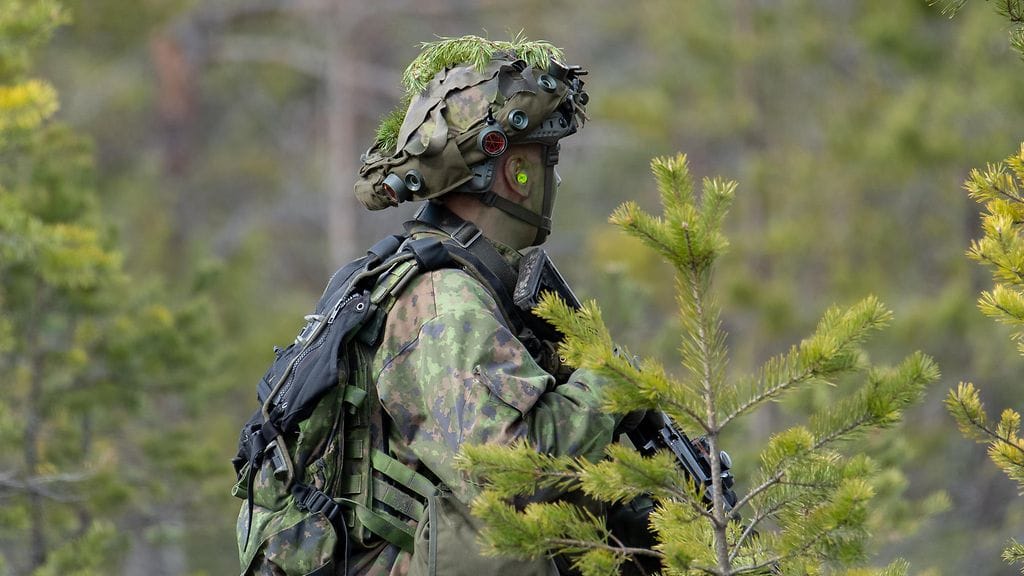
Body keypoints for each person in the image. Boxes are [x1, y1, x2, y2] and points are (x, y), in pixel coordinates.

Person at [347, 37, 630, 575]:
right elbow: (508, 472)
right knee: (490, 541)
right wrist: (611, 389)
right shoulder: (444, 303)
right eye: (549, 159)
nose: (557, 178)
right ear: (514, 173)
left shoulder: (449, 278)